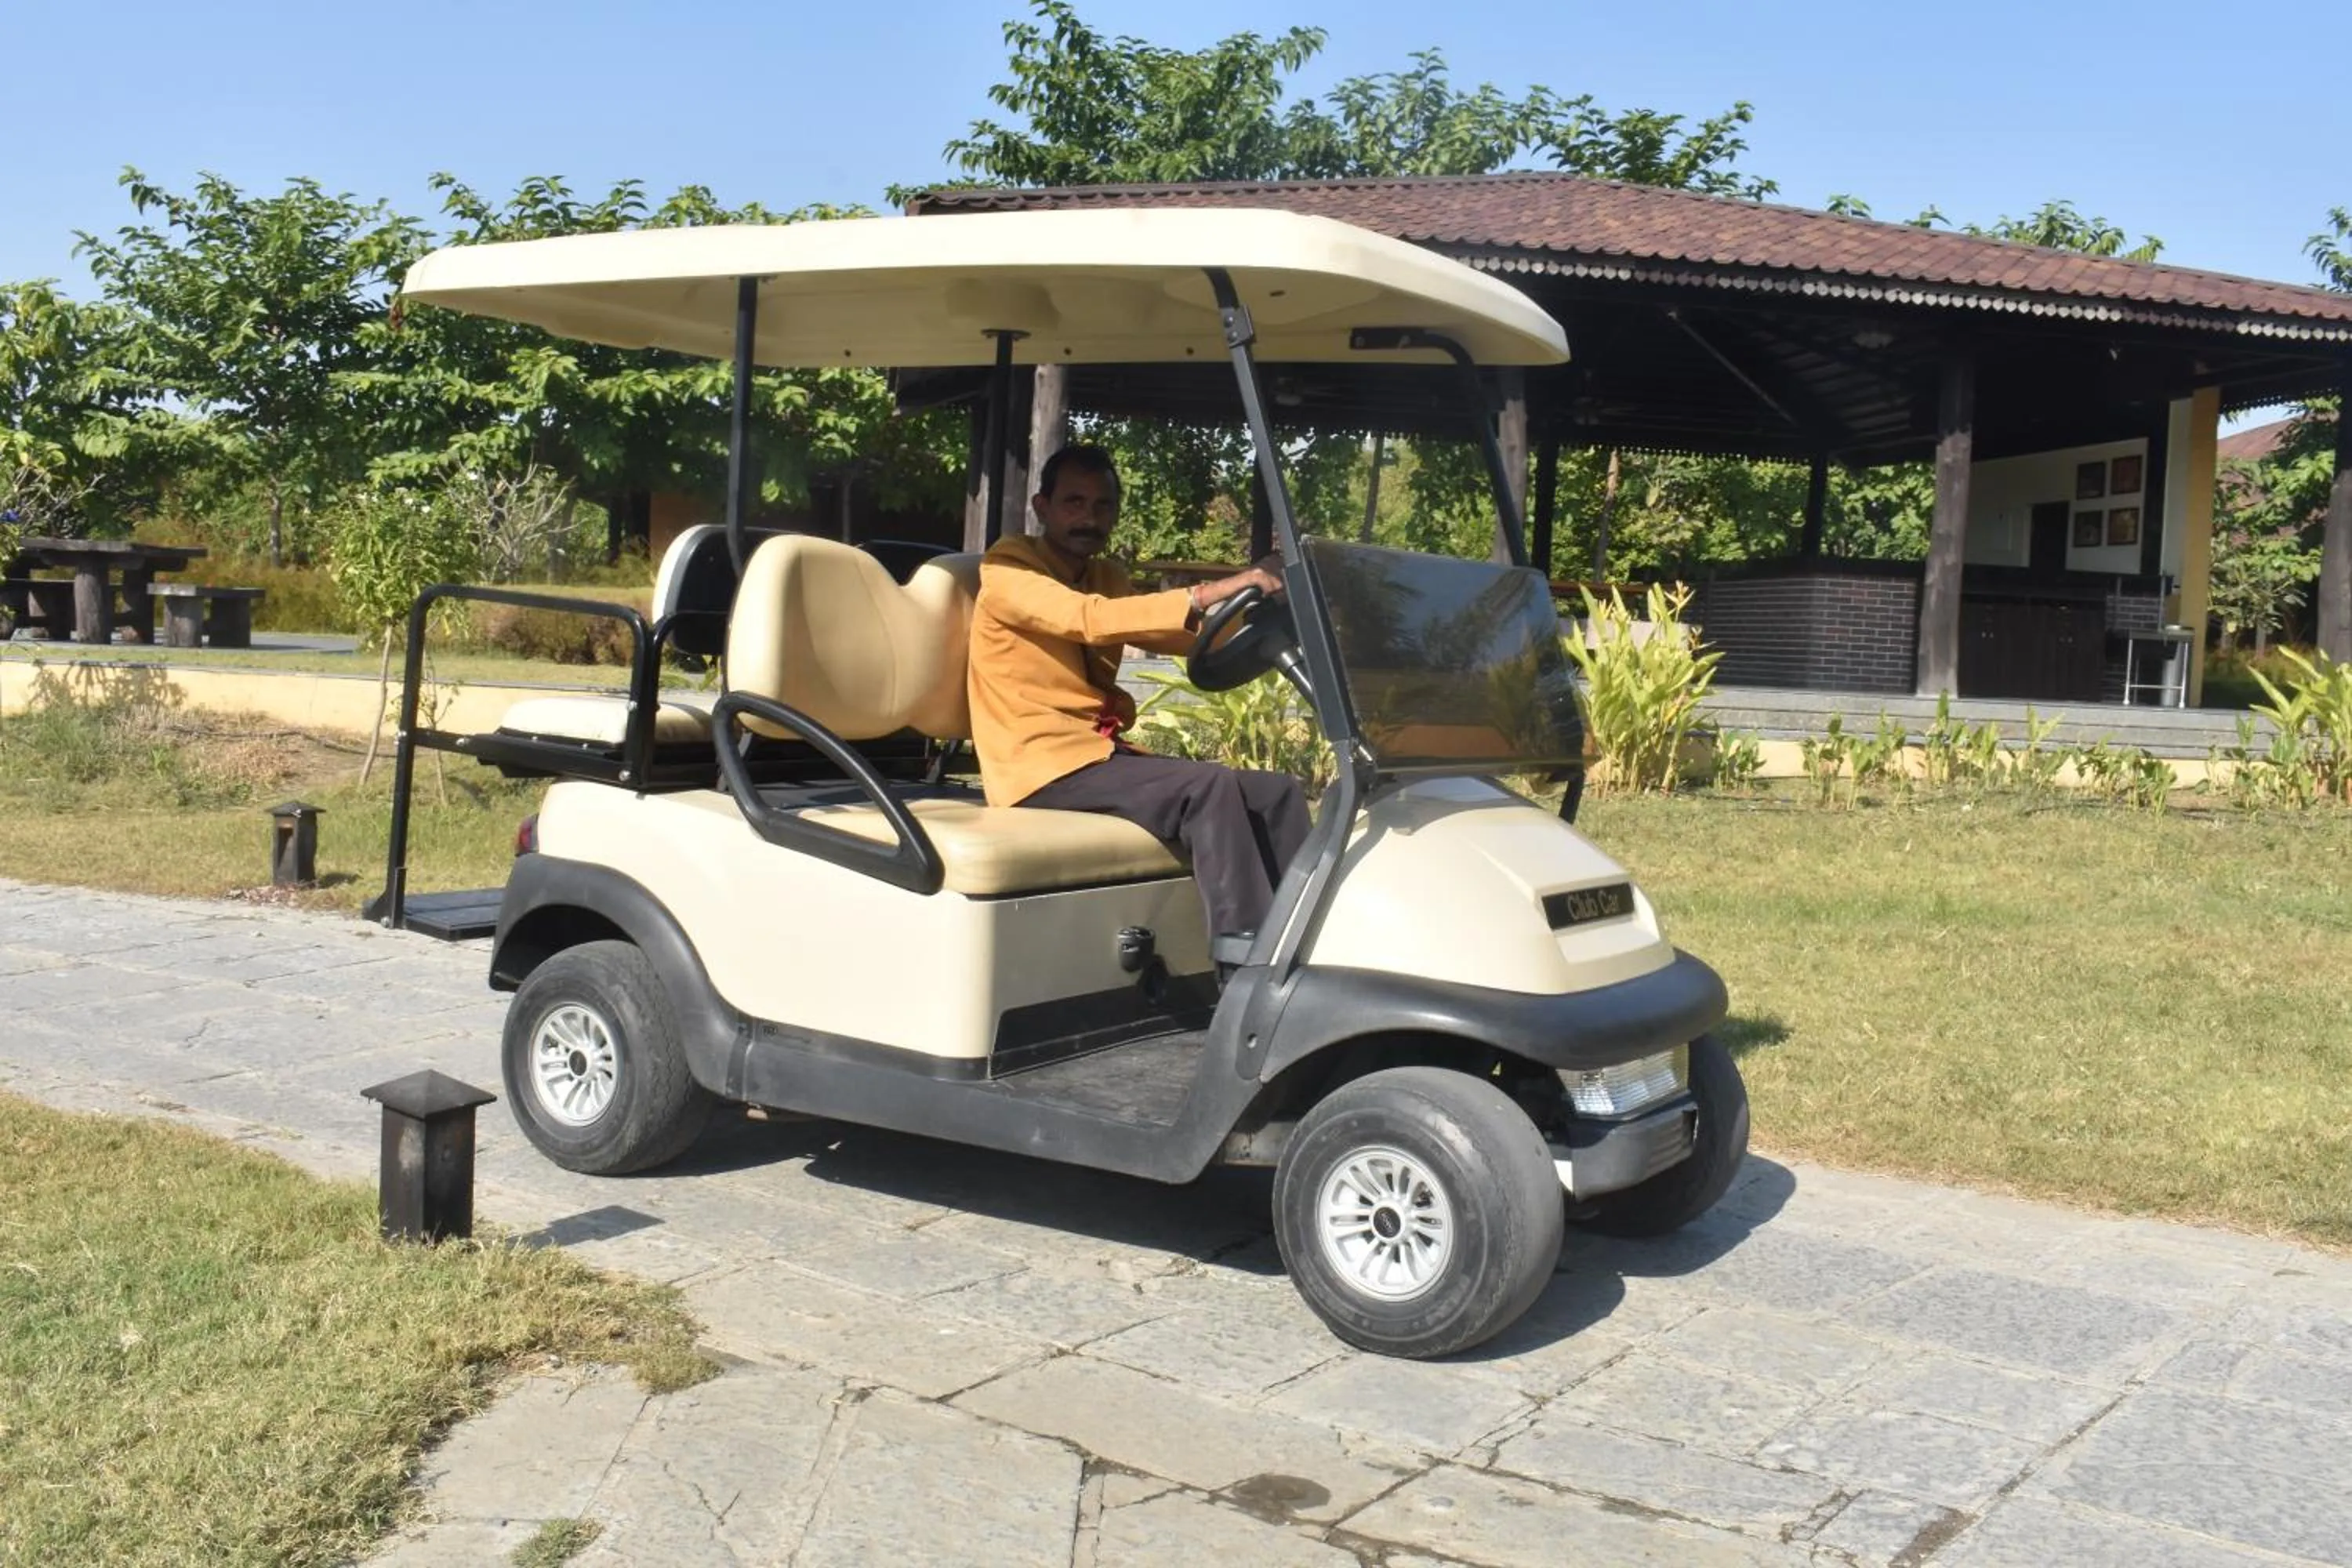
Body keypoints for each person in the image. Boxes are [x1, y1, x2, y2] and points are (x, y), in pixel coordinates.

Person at [966, 444, 1311, 952]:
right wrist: (1210, 592)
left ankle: (1308, 944)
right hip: (1037, 764)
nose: (1088, 517)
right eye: (1074, 502)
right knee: (1208, 787)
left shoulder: (1105, 576)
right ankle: (1247, 969)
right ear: (1042, 508)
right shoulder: (1009, 569)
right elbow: (1089, 618)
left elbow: (1174, 634)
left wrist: (1264, 616)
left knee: (1275, 791)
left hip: (1093, 757)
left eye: (1102, 505)